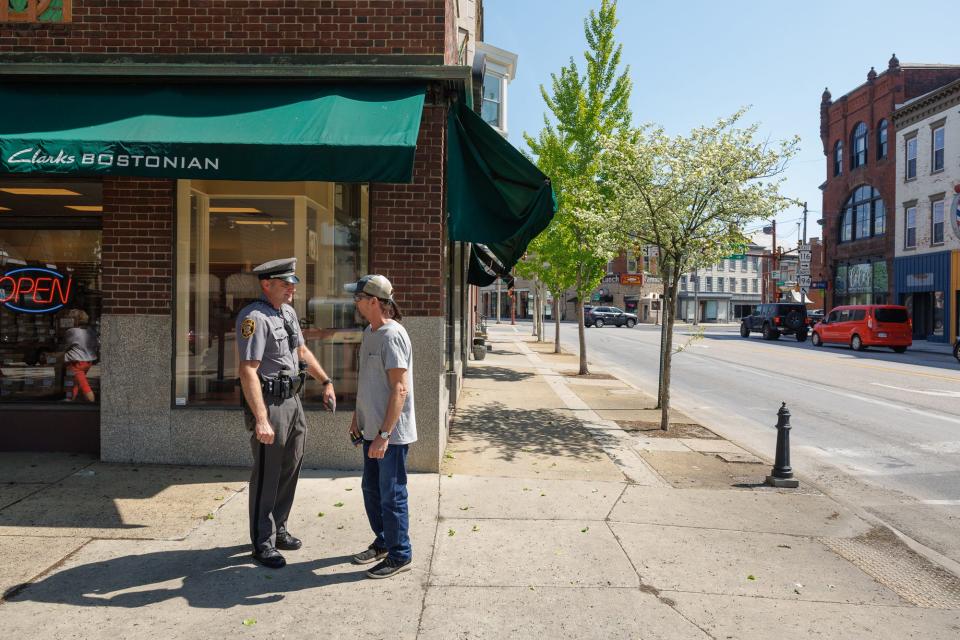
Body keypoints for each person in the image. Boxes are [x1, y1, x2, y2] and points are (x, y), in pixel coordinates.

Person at [236, 257, 336, 569]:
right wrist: (262, 418)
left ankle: (278, 527)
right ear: (267, 284)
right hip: (269, 403)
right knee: (267, 474)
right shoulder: (253, 317)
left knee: (291, 466)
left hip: (293, 402)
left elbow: (301, 352)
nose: (292, 287)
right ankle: (261, 544)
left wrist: (326, 381)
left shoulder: (288, 313)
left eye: (293, 282)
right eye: (285, 282)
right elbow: (247, 371)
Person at [345, 274, 417, 579]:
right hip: (370, 430)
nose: (356, 303)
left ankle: (400, 554)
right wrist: (356, 417)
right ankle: (384, 541)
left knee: (392, 493)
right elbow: (369, 383)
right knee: (371, 490)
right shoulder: (369, 332)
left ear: (374, 302)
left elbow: (400, 389)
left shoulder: (392, 335)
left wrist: (385, 435)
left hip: (390, 435)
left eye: (359, 298)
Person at [64, 309, 98, 402]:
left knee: (83, 385)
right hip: (88, 362)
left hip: (76, 363)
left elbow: (66, 345)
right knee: (75, 382)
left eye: (70, 319)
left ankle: (91, 402)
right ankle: (71, 399)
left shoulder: (72, 331)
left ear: (75, 320)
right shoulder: (91, 331)